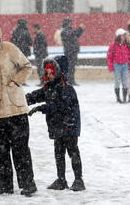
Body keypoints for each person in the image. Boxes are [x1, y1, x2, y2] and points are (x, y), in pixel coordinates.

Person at [0, 21, 37, 197]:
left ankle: (28, 184)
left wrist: (15, 81)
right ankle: (5, 186)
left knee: (20, 150)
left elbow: (27, 66)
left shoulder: (8, 48)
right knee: (0, 151)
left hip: (15, 108)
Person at [26, 56, 85, 192]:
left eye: (51, 71)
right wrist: (23, 100)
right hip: (57, 126)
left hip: (69, 124)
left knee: (72, 151)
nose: (49, 74)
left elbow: (60, 107)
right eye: (47, 71)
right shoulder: (49, 87)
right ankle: (61, 179)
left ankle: (78, 180)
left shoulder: (66, 88)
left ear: (58, 71)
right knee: (58, 152)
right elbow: (36, 95)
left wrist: (42, 108)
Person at [106, 28, 130, 103]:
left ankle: (124, 98)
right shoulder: (113, 45)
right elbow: (109, 56)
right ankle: (118, 98)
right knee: (117, 82)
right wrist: (110, 67)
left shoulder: (127, 45)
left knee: (125, 82)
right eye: (123, 35)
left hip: (125, 65)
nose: (124, 36)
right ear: (119, 36)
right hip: (116, 65)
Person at [60, 18, 85, 86]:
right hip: (70, 52)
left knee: (72, 67)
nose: (71, 24)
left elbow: (76, 34)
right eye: (70, 23)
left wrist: (81, 29)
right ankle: (69, 81)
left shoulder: (68, 30)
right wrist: (80, 28)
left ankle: (71, 80)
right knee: (70, 67)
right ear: (67, 23)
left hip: (72, 52)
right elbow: (73, 34)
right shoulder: (65, 31)